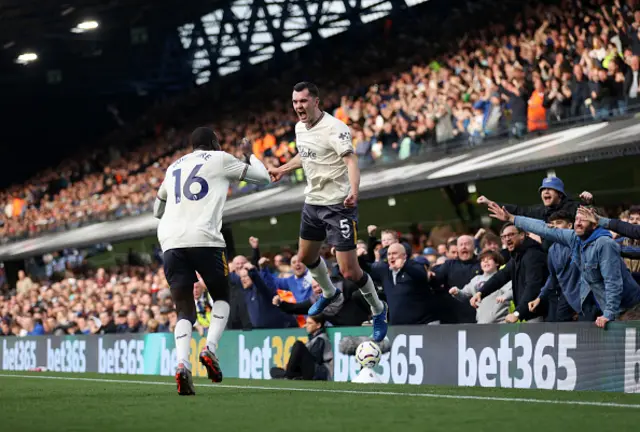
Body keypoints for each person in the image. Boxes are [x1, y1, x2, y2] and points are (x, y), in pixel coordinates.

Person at [154, 127, 271, 395]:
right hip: (205, 238)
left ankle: (182, 364)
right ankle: (210, 350)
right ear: (213, 143)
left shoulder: (173, 167)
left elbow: (156, 209)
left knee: (183, 309)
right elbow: (263, 178)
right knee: (221, 295)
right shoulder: (220, 158)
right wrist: (250, 156)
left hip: (171, 241)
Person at [267, 82, 387, 342]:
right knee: (306, 257)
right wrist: (282, 169)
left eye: (303, 101)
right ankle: (330, 293)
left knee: (350, 272)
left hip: (338, 205)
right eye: (295, 101)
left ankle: (378, 310)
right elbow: (306, 155)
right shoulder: (300, 127)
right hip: (313, 202)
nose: (298, 106)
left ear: (316, 101)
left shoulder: (335, 128)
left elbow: (350, 160)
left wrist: (354, 191)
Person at [488, 203, 640, 328]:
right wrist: (512, 218)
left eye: (583, 220)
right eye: (577, 219)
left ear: (594, 225)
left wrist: (609, 314)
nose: (578, 223)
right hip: (608, 309)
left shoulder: (604, 244)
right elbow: (544, 228)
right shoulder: (575, 238)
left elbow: (613, 283)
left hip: (628, 309)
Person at [470, 223, 548, 323]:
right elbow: (501, 276)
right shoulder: (518, 255)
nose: (507, 239)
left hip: (539, 312)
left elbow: (533, 287)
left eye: (511, 235)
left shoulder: (532, 255)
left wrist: (517, 313)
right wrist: (481, 292)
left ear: (522, 235)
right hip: (528, 313)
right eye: (504, 236)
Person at [449, 250, 512, 324]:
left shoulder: (502, 278)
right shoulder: (476, 280)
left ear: (497, 263)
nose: (485, 262)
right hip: (481, 323)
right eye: (483, 260)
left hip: (501, 322)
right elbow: (463, 295)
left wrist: (505, 296)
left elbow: (512, 291)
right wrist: (456, 292)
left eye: (489, 259)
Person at [269, 315, 333, 381]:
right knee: (273, 370)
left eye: (310, 323)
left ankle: (288, 376)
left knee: (298, 345)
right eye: (306, 323)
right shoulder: (312, 338)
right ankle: (291, 376)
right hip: (308, 371)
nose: (306, 326)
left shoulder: (321, 338)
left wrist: (295, 365)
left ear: (318, 325)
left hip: (319, 373)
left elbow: (315, 360)